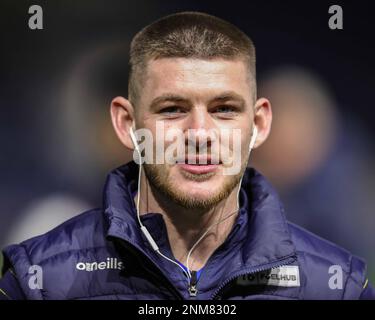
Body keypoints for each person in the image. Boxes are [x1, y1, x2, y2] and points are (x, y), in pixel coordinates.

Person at [0, 12, 373, 300]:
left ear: (258, 124)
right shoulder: (39, 277)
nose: (199, 134)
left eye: (224, 109)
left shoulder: (338, 283)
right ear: (127, 123)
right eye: (172, 109)